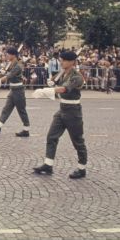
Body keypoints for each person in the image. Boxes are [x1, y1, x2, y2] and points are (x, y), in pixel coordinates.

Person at [33, 50, 88, 179]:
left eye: (63, 60)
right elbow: (58, 84)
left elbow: (65, 89)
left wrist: (47, 91)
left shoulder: (77, 77)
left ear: (71, 62)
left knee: (78, 141)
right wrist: (52, 83)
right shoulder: (63, 72)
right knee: (51, 137)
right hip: (62, 109)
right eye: (61, 60)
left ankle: (82, 168)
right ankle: (48, 164)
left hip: (73, 112)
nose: (61, 62)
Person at [0, 46, 30, 137]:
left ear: (13, 55)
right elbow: (6, 73)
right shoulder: (11, 63)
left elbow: (9, 76)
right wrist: (1, 72)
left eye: (8, 54)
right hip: (13, 90)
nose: (6, 55)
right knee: (6, 109)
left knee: (21, 111)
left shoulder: (18, 65)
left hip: (18, 91)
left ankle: (26, 130)